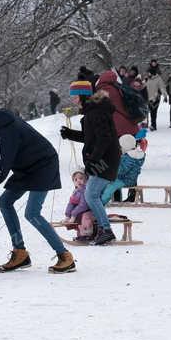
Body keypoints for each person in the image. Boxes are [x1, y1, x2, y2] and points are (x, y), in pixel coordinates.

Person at [0, 92, 74, 274]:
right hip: (26, 167)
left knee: (32, 213)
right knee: (5, 202)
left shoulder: (0, 132)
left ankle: (65, 256)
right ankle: (20, 253)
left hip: (43, 164)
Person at [60, 86, 121, 245]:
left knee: (91, 195)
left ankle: (105, 230)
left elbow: (104, 138)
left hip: (105, 161)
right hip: (101, 161)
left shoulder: (97, 113)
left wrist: (93, 159)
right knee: (92, 195)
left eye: (75, 97)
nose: (73, 100)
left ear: (82, 96)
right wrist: (69, 134)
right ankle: (99, 229)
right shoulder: (92, 112)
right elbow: (90, 138)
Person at [101, 133, 146, 204]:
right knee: (110, 182)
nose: (120, 149)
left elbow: (121, 170)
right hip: (131, 179)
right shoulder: (136, 156)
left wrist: (112, 169)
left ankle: (101, 202)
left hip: (125, 180)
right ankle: (114, 198)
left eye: (121, 147)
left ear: (126, 146)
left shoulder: (128, 157)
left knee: (110, 186)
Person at [94, 69, 140, 137]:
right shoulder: (118, 88)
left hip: (117, 126)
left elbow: (95, 105)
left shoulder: (104, 90)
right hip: (129, 123)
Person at [62, 170, 96, 242]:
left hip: (88, 210)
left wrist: (73, 214)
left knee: (84, 218)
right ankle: (80, 233)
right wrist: (68, 215)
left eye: (81, 178)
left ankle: (87, 235)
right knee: (78, 217)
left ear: (85, 180)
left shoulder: (85, 190)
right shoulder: (76, 191)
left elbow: (83, 205)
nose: (78, 181)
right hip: (79, 211)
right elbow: (71, 203)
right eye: (76, 179)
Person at [145, 66, 167, 131]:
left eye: (149, 73)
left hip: (156, 98)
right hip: (148, 98)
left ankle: (153, 125)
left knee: (153, 112)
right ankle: (148, 124)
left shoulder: (158, 79)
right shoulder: (147, 79)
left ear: (152, 73)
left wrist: (165, 96)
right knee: (149, 111)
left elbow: (162, 87)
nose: (147, 74)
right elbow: (143, 86)